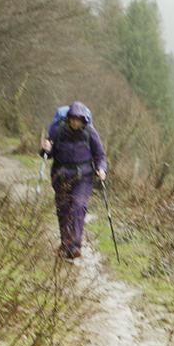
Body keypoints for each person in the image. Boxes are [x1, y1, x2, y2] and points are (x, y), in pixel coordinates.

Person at [40, 101, 107, 259]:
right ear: (68, 118)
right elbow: (47, 155)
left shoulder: (90, 132)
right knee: (63, 209)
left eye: (79, 119)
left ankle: (75, 246)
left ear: (84, 120)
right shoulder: (58, 130)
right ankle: (65, 245)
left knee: (78, 206)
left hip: (83, 177)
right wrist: (45, 148)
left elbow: (100, 155)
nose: (75, 122)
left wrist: (102, 168)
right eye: (73, 118)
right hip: (61, 175)